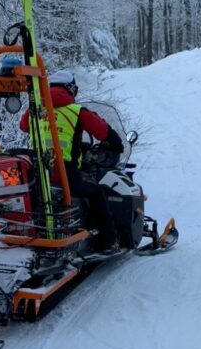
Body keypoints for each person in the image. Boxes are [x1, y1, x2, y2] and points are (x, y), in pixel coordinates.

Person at [19, 69, 124, 253]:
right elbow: (103, 131)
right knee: (97, 192)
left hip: (36, 172)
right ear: (71, 89)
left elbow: (23, 126)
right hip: (63, 173)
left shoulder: (35, 110)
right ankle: (108, 241)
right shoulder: (77, 112)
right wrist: (116, 144)